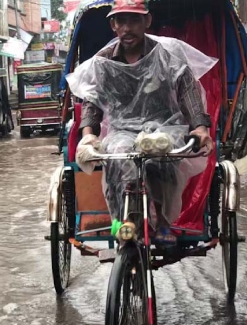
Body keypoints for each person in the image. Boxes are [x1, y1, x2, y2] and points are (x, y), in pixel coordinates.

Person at [72, 0, 215, 244]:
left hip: (164, 126)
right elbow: (91, 102)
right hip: (121, 131)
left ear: (147, 21)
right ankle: (122, 221)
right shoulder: (103, 61)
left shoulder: (167, 54)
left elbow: (187, 90)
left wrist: (200, 128)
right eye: (121, 21)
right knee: (119, 154)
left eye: (134, 20)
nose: (127, 28)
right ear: (113, 25)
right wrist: (88, 136)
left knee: (162, 153)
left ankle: (162, 221)